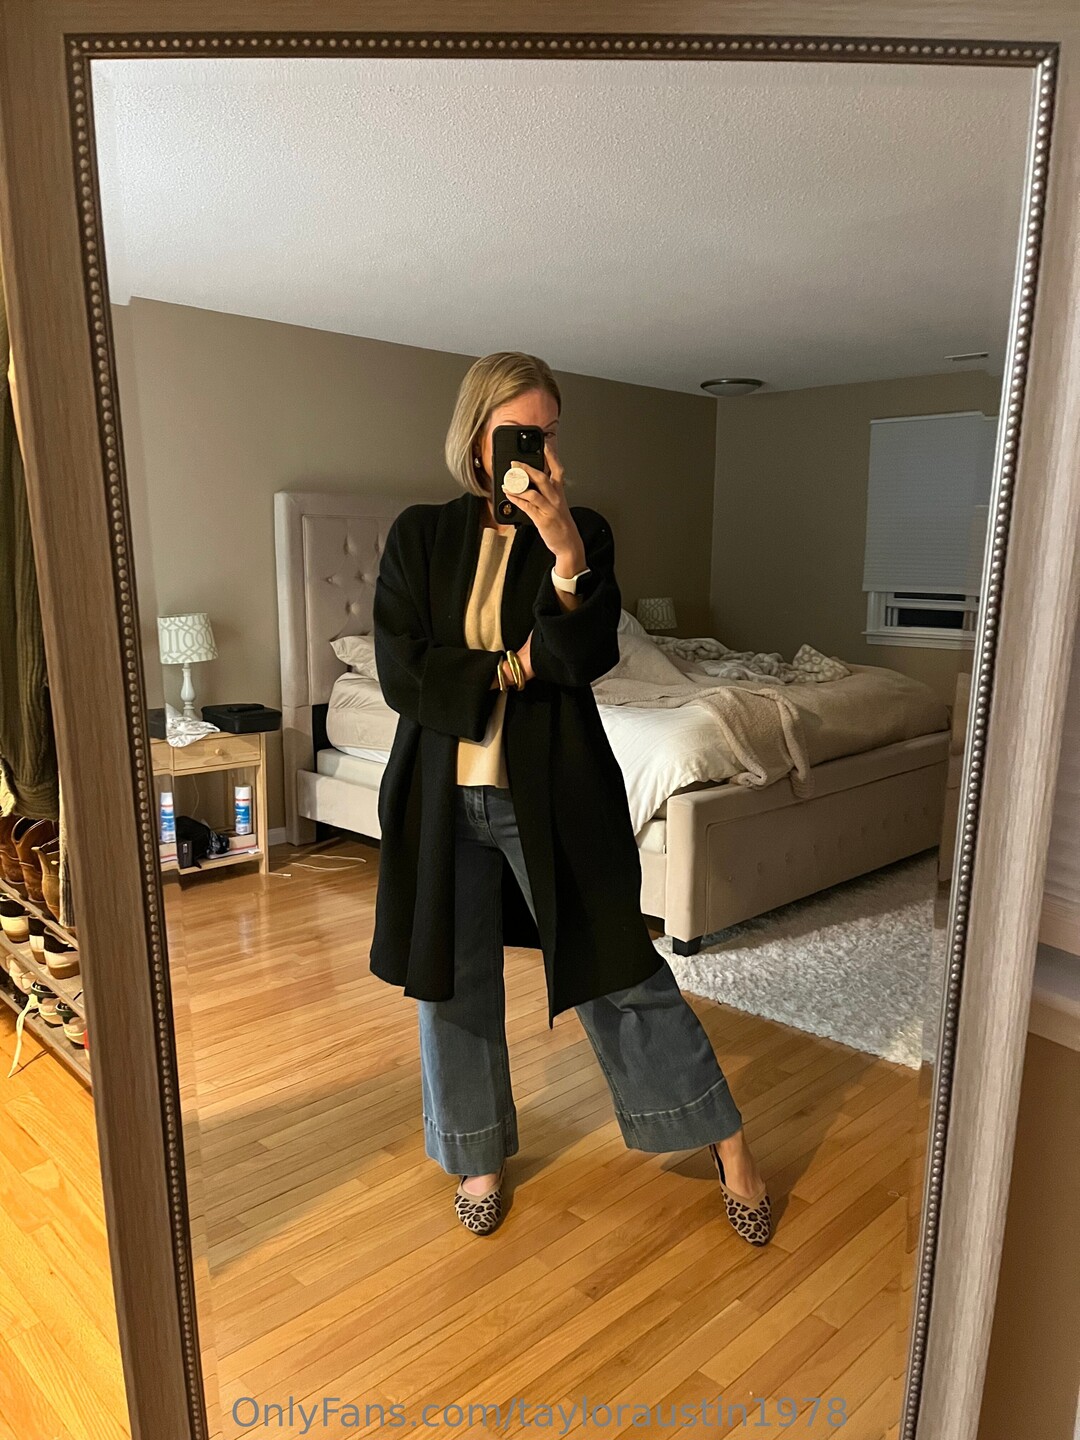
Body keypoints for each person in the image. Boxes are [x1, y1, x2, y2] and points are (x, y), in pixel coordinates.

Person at [371, 351, 770, 1245]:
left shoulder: (583, 532)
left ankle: (724, 1136)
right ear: (477, 437)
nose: (539, 453)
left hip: (552, 790)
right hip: (440, 797)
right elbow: (402, 671)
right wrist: (510, 668)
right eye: (520, 433)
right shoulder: (418, 536)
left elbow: (581, 657)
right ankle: (476, 1153)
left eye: (548, 434)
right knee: (452, 982)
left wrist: (563, 558)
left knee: (616, 967)